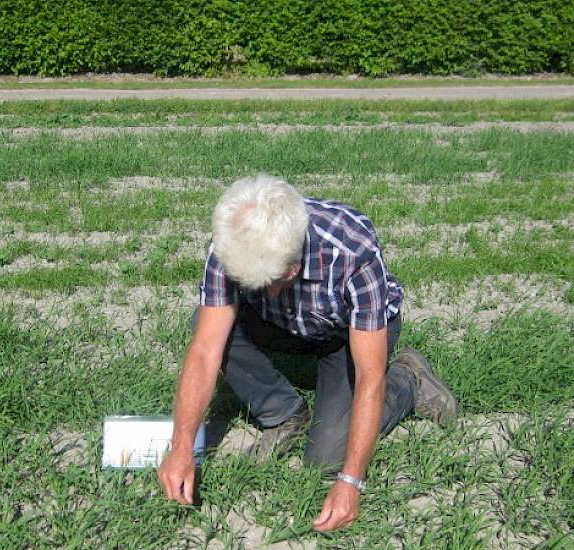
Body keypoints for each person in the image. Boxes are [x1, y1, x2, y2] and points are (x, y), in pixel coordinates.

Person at [157, 175, 458, 533]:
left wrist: (351, 482)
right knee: (205, 322)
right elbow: (206, 351)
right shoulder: (235, 239)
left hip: (346, 335)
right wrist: (181, 446)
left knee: (327, 459)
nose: (266, 293)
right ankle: (285, 413)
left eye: (273, 283)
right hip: (284, 323)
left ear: (294, 266)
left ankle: (409, 379)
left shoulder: (352, 249)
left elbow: (368, 376)